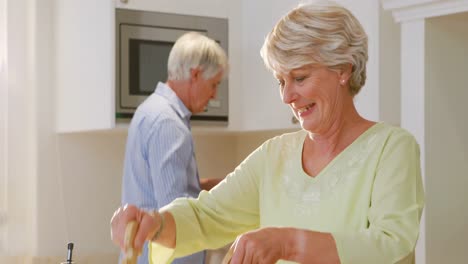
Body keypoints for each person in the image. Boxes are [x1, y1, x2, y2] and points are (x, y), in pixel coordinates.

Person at [111, 1, 425, 263]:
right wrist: (156, 223)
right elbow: (206, 217)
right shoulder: (275, 155)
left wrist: (288, 243)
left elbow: (391, 245)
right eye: (280, 81)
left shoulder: (391, 148)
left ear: (342, 69)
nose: (286, 96)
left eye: (299, 77)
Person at [119, 31, 228, 264]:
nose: (214, 95)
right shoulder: (168, 123)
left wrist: (209, 187)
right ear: (195, 74)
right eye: (214, 84)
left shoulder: (150, 110)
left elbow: (158, 189)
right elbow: (175, 213)